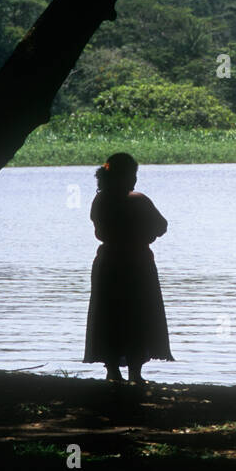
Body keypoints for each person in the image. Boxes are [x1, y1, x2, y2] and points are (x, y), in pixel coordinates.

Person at [83, 152, 174, 384]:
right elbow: (162, 226)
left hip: (108, 264)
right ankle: (135, 373)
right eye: (133, 175)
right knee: (137, 315)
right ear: (125, 175)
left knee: (110, 316)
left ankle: (112, 371)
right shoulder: (138, 199)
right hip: (137, 264)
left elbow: (100, 231)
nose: (134, 180)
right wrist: (145, 234)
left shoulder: (100, 200)